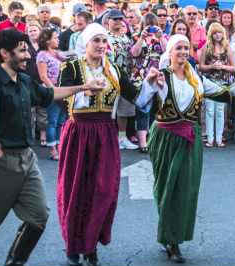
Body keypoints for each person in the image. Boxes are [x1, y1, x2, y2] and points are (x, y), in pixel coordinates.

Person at [0, 28, 103, 266]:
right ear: (4, 53)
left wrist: (84, 87)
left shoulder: (24, 80)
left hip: (27, 158)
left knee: (38, 217)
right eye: (22, 51)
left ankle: (14, 263)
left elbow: (49, 93)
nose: (28, 56)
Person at [136, 34, 235, 264]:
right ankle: (168, 235)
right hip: (165, 137)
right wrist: (149, 84)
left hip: (190, 138)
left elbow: (223, 91)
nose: (182, 52)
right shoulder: (161, 76)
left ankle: (173, 240)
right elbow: (141, 103)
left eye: (186, 48)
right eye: (178, 48)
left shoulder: (196, 77)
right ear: (169, 52)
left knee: (184, 189)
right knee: (165, 188)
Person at [56, 23, 140, 266]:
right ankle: (74, 245)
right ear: (86, 43)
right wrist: (85, 93)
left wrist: (155, 84)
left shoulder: (113, 69)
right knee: (76, 188)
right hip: (79, 132)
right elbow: (60, 100)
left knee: (103, 190)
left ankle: (91, 244)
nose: (102, 46)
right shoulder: (71, 66)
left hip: (105, 133)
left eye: (104, 41)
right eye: (97, 41)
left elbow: (135, 95)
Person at [130, 13, 166, 153]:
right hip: (143, 78)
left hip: (159, 78)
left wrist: (160, 36)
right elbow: (134, 53)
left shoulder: (162, 37)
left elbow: (168, 52)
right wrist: (141, 38)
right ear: (143, 25)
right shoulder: (136, 37)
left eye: (153, 25)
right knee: (143, 110)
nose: (150, 29)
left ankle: (152, 139)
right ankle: (143, 143)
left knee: (156, 111)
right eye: (147, 26)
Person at [105, 9, 139, 150]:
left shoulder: (126, 38)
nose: (118, 21)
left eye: (120, 19)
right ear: (108, 21)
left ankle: (122, 137)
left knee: (125, 110)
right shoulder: (105, 37)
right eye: (115, 19)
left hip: (125, 77)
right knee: (108, 110)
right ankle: (108, 138)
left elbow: (131, 57)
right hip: (110, 77)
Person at [199, 22, 235, 148]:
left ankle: (219, 139)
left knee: (220, 111)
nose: (218, 35)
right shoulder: (206, 47)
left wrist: (223, 66)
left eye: (220, 32)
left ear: (223, 34)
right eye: (215, 33)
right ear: (211, 34)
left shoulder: (227, 47)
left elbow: (234, 67)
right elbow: (201, 67)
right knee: (209, 110)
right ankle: (210, 139)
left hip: (222, 83)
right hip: (209, 83)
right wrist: (212, 66)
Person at [37, 29, 66, 160]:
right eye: (55, 37)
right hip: (52, 91)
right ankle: (53, 150)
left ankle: (60, 147)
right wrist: (53, 90)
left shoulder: (57, 54)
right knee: (52, 121)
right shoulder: (42, 55)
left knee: (61, 121)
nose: (58, 40)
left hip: (63, 90)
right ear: (47, 40)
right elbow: (43, 76)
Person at [25, 22, 48, 147]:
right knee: (30, 112)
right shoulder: (24, 46)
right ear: (27, 33)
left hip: (42, 82)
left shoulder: (44, 46)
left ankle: (43, 135)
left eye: (35, 30)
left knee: (43, 111)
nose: (33, 33)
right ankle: (31, 136)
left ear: (40, 32)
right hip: (28, 82)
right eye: (30, 31)